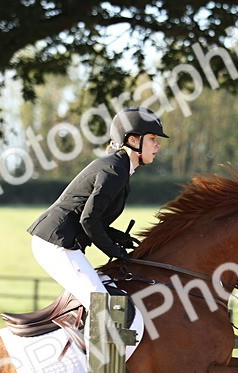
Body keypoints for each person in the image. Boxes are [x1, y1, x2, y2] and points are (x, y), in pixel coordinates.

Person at [26, 106, 165, 347]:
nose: (157, 145)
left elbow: (93, 219)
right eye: (152, 138)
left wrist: (117, 237)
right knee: (101, 303)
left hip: (61, 242)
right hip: (56, 244)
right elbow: (88, 220)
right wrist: (113, 250)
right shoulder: (114, 170)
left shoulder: (120, 168)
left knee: (107, 296)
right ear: (133, 140)